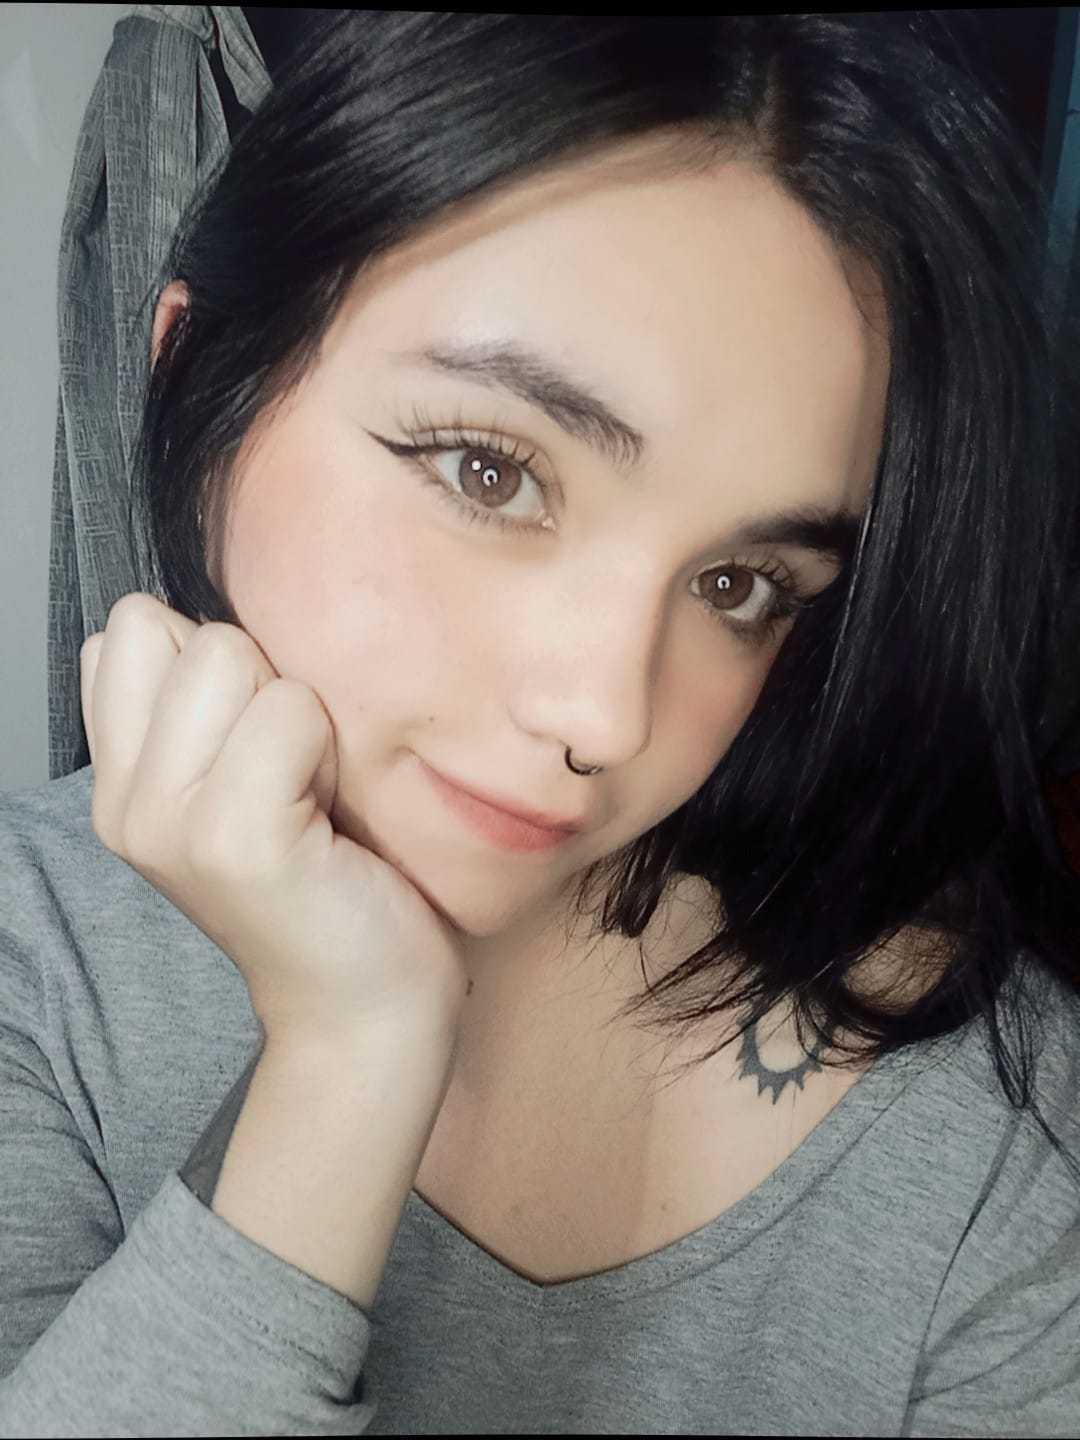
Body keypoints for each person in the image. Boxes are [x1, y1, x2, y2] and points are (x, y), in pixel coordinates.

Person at [3, 12, 1080, 1436]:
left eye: (739, 583)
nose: (605, 716)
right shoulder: (33, 967)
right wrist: (346, 1059)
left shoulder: (997, 1135)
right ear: (192, 370)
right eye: (489, 473)